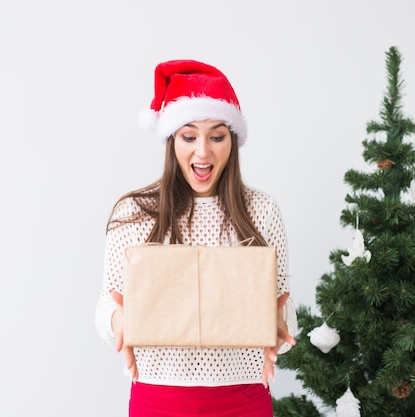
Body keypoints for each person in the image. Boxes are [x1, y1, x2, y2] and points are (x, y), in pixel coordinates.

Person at [95, 59, 298, 417]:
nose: (203, 152)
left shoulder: (262, 211)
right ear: (172, 139)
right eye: (189, 137)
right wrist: (119, 322)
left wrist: (278, 325)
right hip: (159, 400)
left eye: (217, 137)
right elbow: (106, 307)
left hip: (243, 399)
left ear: (232, 141)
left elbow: (284, 311)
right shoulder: (133, 214)